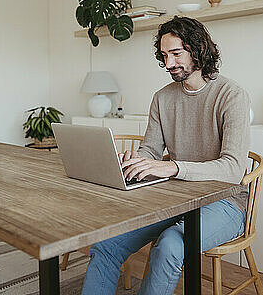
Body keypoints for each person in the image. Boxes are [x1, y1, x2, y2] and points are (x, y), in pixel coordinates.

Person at [81, 16, 251, 295]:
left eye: (176, 53)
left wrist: (172, 168)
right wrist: (137, 161)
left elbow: (233, 169)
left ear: (198, 50)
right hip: (172, 198)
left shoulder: (232, 95)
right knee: (106, 244)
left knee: (171, 243)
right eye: (164, 55)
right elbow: (151, 149)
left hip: (225, 202)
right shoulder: (162, 97)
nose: (169, 64)